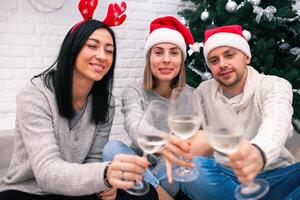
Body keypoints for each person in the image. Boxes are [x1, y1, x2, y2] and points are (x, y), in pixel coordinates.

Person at [0, 1, 158, 199]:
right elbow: (46, 172)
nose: (102, 56)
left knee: (146, 193)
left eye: (109, 50)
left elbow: (93, 159)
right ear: (72, 50)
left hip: (75, 188)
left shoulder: (106, 104)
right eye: (92, 46)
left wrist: (105, 183)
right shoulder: (35, 95)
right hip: (30, 189)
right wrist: (105, 174)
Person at [162, 25, 300, 200]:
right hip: (226, 176)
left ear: (246, 56)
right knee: (192, 166)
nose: (222, 64)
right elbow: (183, 128)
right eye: (214, 60)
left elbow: (277, 121)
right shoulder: (205, 91)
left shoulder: (273, 85)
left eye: (229, 55)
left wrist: (258, 152)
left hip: (275, 175)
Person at [102, 16, 198, 200]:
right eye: (159, 52)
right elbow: (134, 127)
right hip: (141, 165)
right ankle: (161, 195)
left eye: (174, 53)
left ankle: (151, 193)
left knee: (185, 154)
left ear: (182, 58)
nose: (166, 60)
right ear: (149, 57)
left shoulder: (191, 95)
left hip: (168, 169)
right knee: (112, 148)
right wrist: (167, 143)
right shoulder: (134, 91)